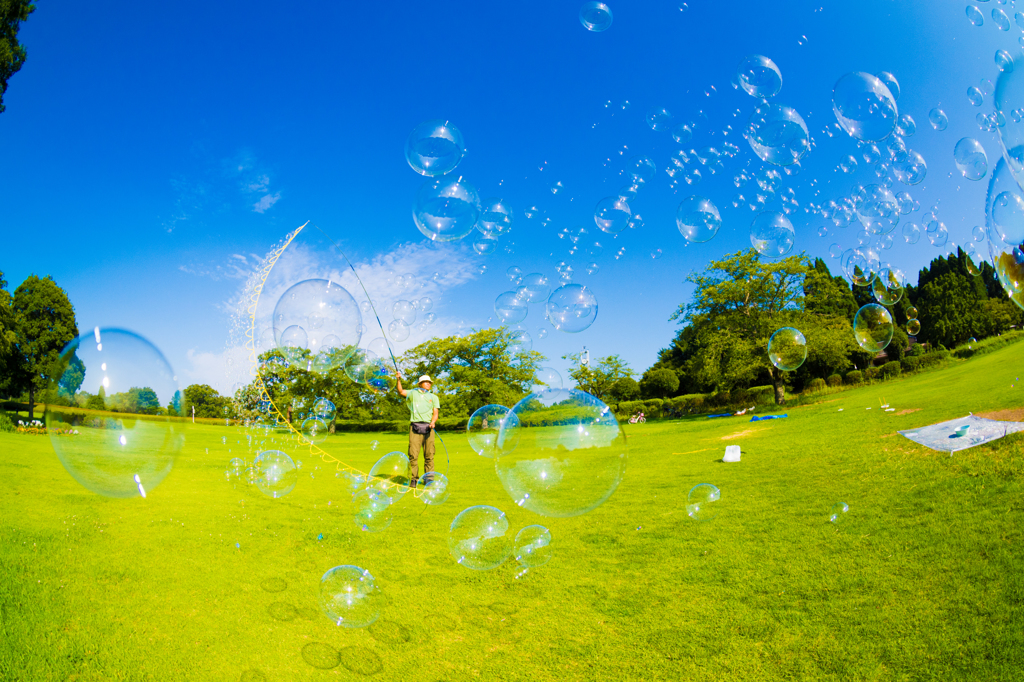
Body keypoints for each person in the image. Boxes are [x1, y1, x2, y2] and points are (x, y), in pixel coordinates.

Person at [396, 374, 440, 488]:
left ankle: (428, 480)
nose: (428, 383)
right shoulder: (413, 393)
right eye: (426, 382)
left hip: (429, 428)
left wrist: (433, 422)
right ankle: (413, 479)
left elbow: (435, 413)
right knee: (413, 455)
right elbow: (400, 391)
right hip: (415, 427)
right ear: (420, 384)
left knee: (429, 455)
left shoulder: (434, 397)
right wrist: (398, 379)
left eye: (429, 382)